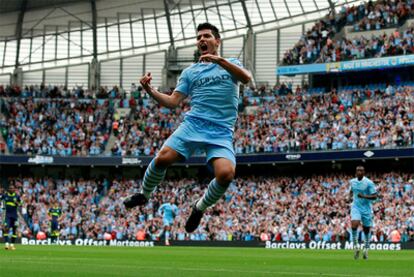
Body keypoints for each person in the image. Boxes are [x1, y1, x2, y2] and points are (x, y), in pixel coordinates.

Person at [123, 22, 251, 233]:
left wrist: (219, 60)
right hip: (194, 124)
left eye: (207, 36)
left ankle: (199, 207)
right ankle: (144, 195)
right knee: (162, 157)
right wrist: (149, 89)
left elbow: (246, 78)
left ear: (217, 42)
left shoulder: (231, 63)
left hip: (220, 131)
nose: (202, 39)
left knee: (226, 174)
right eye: (199, 37)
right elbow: (172, 102)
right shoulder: (190, 72)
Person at [349, 166, 378, 260]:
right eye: (357, 170)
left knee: (366, 230)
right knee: (354, 224)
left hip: (366, 209)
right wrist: (349, 197)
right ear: (356, 172)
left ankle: (366, 249)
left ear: (364, 172)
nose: (359, 172)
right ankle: (356, 247)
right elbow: (351, 191)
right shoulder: (352, 181)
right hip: (356, 207)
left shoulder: (369, 183)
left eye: (361, 170)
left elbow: (375, 196)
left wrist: (364, 196)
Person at [1, 184, 23, 250]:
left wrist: (18, 203)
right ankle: (7, 244)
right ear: (8, 189)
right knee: (6, 228)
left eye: (12, 188)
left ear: (14, 189)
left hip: (15, 215)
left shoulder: (17, 196)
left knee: (14, 230)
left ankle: (12, 245)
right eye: (10, 188)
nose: (11, 189)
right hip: (7, 215)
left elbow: (21, 204)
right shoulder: (5, 195)